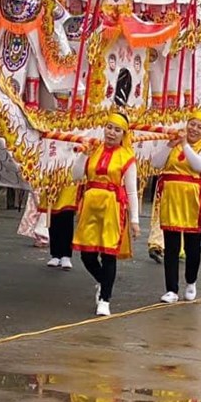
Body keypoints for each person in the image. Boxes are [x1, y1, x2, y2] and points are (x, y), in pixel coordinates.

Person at [71, 111, 140, 317]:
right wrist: (84, 154)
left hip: (112, 206)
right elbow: (76, 175)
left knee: (109, 253)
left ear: (124, 134)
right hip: (90, 205)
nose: (111, 133)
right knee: (87, 254)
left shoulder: (127, 157)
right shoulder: (94, 149)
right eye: (109, 127)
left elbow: (131, 191)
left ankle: (105, 299)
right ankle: (103, 281)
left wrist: (134, 220)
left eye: (117, 130)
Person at [150, 110, 201, 303]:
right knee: (171, 245)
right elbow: (156, 163)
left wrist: (185, 144)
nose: (194, 129)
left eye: (199, 127)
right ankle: (171, 289)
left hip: (192, 199)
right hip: (171, 197)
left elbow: (198, 166)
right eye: (192, 124)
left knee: (192, 245)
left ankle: (191, 281)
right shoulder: (174, 143)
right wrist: (170, 145)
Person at [43, 181, 79, 270]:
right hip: (53, 182)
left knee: (67, 216)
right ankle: (55, 254)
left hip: (69, 183)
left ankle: (66, 255)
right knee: (54, 217)